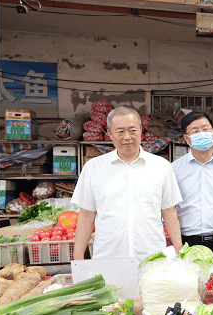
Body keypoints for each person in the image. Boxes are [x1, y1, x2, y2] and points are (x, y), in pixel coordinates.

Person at [72, 107, 183, 260]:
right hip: (108, 257)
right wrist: (77, 257)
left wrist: (179, 249)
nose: (127, 137)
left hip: (151, 257)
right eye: (120, 132)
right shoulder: (93, 168)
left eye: (132, 130)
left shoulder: (162, 166)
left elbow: (169, 212)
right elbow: (86, 215)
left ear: (141, 130)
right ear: (109, 134)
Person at [172, 112, 213, 262]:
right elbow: (171, 208)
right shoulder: (174, 170)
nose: (201, 134)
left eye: (205, 129)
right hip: (188, 242)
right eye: (195, 131)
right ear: (186, 138)